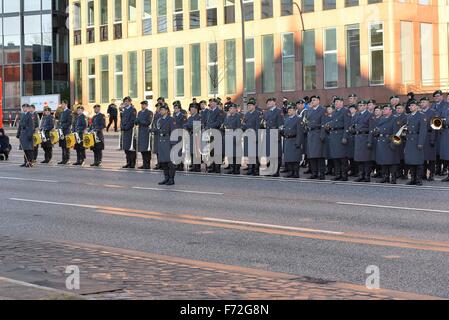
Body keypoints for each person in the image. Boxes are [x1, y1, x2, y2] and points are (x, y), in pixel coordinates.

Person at [370, 104, 400, 184]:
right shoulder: (381, 118)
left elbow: (396, 133)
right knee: (383, 160)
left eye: (386, 109)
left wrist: (393, 144)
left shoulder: (394, 119)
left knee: (392, 161)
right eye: (384, 109)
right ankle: (385, 177)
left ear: (390, 110)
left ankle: (393, 178)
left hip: (389, 141)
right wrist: (375, 132)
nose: (384, 110)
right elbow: (377, 129)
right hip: (381, 141)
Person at [325, 97, 351, 181]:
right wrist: (328, 125)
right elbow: (333, 122)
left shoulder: (345, 111)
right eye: (335, 102)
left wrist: (345, 137)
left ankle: (344, 175)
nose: (336, 103)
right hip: (333, 136)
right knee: (335, 157)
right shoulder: (334, 112)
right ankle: (337, 174)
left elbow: (347, 125)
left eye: (338, 102)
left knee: (342, 157)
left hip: (340, 135)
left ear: (342, 102)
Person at [404, 100, 427, 186]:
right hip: (409, 140)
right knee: (411, 161)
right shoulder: (409, 116)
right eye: (410, 106)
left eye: (413, 105)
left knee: (418, 161)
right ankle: (412, 178)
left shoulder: (421, 116)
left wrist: (420, 142)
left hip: (417, 139)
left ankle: (419, 179)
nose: (411, 107)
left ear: (417, 107)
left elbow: (423, 131)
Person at [155, 104, 176, 185]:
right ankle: (166, 178)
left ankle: (171, 179)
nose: (161, 111)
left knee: (170, 162)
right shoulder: (159, 120)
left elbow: (174, 132)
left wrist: (173, 144)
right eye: (160, 110)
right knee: (163, 162)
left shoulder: (171, 119)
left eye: (163, 110)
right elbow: (158, 129)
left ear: (167, 111)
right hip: (161, 141)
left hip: (168, 141)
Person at [306, 96, 327, 180]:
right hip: (311, 133)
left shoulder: (322, 110)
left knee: (319, 155)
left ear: (318, 101)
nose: (312, 101)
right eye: (312, 100)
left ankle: (321, 173)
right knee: (312, 155)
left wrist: (322, 134)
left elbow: (323, 123)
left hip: (318, 133)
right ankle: (314, 173)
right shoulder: (310, 110)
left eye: (314, 100)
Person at [263, 97, 284, 177]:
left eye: (270, 101)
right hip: (268, 134)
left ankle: (276, 171)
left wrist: (278, 134)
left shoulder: (278, 111)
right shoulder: (266, 112)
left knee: (276, 154)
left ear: (274, 103)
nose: (268, 103)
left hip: (275, 134)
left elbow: (281, 124)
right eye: (267, 102)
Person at [353, 100, 373, 182]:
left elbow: (371, 129)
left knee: (366, 159)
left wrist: (369, 141)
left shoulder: (369, 115)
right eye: (359, 105)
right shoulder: (357, 114)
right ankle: (361, 175)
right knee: (359, 159)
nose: (360, 107)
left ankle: (367, 176)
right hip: (358, 137)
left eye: (362, 105)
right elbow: (354, 124)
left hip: (365, 137)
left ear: (365, 106)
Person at [204, 98, 225, 174]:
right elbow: (206, 121)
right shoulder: (209, 112)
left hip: (217, 132)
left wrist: (209, 126)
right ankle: (212, 166)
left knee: (217, 151)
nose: (211, 104)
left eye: (212, 103)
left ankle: (217, 167)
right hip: (210, 133)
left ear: (216, 103)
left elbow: (219, 122)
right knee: (211, 151)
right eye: (210, 103)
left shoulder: (220, 112)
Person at [281, 104, 302, 178]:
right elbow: (285, 129)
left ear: (295, 111)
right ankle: (290, 172)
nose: (289, 111)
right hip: (287, 140)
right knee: (289, 158)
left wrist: (298, 142)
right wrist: (282, 132)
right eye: (289, 110)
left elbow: (299, 132)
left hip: (294, 139)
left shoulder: (298, 119)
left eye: (291, 110)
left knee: (295, 158)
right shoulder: (286, 119)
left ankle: (296, 172)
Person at [242, 98, 261, 176]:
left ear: (254, 106)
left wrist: (256, 137)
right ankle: (250, 168)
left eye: (251, 105)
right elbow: (244, 124)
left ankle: (256, 169)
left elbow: (258, 127)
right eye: (248, 105)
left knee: (255, 154)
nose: (249, 107)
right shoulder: (247, 114)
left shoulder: (257, 114)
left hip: (254, 136)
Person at [420, 97, 437, 181]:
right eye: (421, 102)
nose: (422, 103)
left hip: (430, 136)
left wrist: (433, 139)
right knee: (422, 157)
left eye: (424, 102)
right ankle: (423, 174)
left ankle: (431, 174)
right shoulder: (419, 112)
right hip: (422, 137)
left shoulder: (433, 112)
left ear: (428, 103)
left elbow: (435, 126)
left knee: (431, 158)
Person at [222, 103, 242, 175]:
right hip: (229, 137)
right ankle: (231, 168)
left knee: (236, 154)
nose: (230, 110)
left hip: (235, 137)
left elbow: (239, 127)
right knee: (230, 154)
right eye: (230, 109)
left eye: (232, 108)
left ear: (235, 109)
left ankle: (236, 169)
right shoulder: (228, 117)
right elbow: (225, 125)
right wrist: (227, 117)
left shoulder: (238, 116)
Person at [135, 100, 153, 170]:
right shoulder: (139, 112)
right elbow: (136, 121)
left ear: (146, 105)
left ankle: (147, 164)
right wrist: (136, 121)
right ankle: (144, 163)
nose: (142, 106)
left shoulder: (149, 112)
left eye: (144, 104)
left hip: (146, 132)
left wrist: (140, 121)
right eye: (142, 104)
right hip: (140, 132)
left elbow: (148, 122)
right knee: (142, 149)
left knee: (146, 149)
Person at [184, 102, 202, 172]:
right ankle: (193, 165)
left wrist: (189, 126)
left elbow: (196, 126)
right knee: (191, 150)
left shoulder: (199, 117)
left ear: (196, 109)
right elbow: (185, 125)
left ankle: (197, 167)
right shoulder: (190, 117)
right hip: (191, 135)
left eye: (192, 109)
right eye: (190, 109)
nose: (190, 110)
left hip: (197, 135)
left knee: (196, 151)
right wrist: (188, 126)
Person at [121, 96, 137, 169]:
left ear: (130, 102)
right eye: (125, 101)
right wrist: (122, 126)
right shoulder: (124, 110)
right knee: (126, 148)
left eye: (127, 101)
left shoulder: (133, 109)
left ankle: (132, 163)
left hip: (130, 130)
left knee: (131, 148)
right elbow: (122, 119)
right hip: (125, 130)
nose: (126, 102)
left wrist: (126, 127)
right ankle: (128, 162)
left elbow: (132, 120)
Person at [173, 101, 187, 171]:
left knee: (180, 150)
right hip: (175, 134)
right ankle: (177, 164)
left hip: (180, 134)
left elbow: (184, 125)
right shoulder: (174, 116)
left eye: (176, 108)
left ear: (179, 109)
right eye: (174, 108)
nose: (175, 110)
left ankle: (181, 165)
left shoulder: (182, 116)